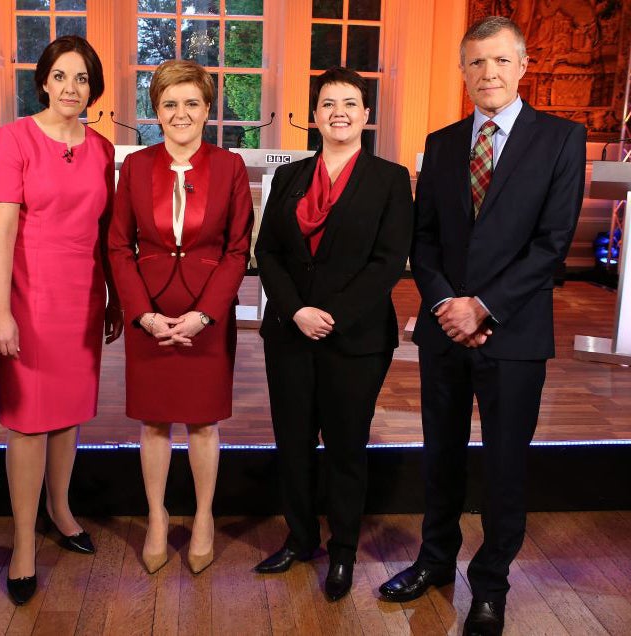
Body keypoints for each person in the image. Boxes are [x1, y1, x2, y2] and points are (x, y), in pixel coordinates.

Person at [378, 16, 586, 636]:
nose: (488, 73)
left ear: (523, 67)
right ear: (463, 72)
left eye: (500, 61)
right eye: (476, 63)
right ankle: (435, 560)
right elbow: (425, 240)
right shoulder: (441, 143)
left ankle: (490, 583)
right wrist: (448, 305)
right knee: (439, 455)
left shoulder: (560, 139)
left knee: (503, 464)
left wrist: (483, 308)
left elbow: (552, 246)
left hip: (514, 334)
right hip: (446, 330)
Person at [252, 67, 413, 601]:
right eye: (328, 103)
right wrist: (296, 310)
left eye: (350, 102)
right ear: (314, 115)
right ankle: (300, 539)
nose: (338, 111)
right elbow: (268, 252)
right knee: (293, 443)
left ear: (365, 116)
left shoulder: (389, 179)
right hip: (291, 334)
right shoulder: (290, 176)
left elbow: (388, 262)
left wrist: (332, 315)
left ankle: (342, 550)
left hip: (356, 340)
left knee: (346, 447)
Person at [0, 35, 122, 606]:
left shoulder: (102, 148)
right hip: (29, 299)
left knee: (68, 416)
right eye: (61, 76)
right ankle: (22, 541)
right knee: (27, 420)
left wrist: (113, 296)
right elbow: (2, 234)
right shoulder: (12, 139)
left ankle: (61, 510)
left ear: (94, 88)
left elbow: (106, 233)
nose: (72, 88)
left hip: (83, 296)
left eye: (83, 78)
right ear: (43, 80)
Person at [108, 59, 253, 576]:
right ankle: (155, 517)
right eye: (170, 104)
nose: (181, 113)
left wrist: (205, 316)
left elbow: (237, 250)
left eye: (192, 103)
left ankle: (205, 517)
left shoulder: (230, 167)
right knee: (153, 423)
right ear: (157, 112)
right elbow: (118, 247)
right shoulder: (137, 166)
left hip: (205, 316)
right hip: (150, 312)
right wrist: (141, 315)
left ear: (208, 109)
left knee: (203, 424)